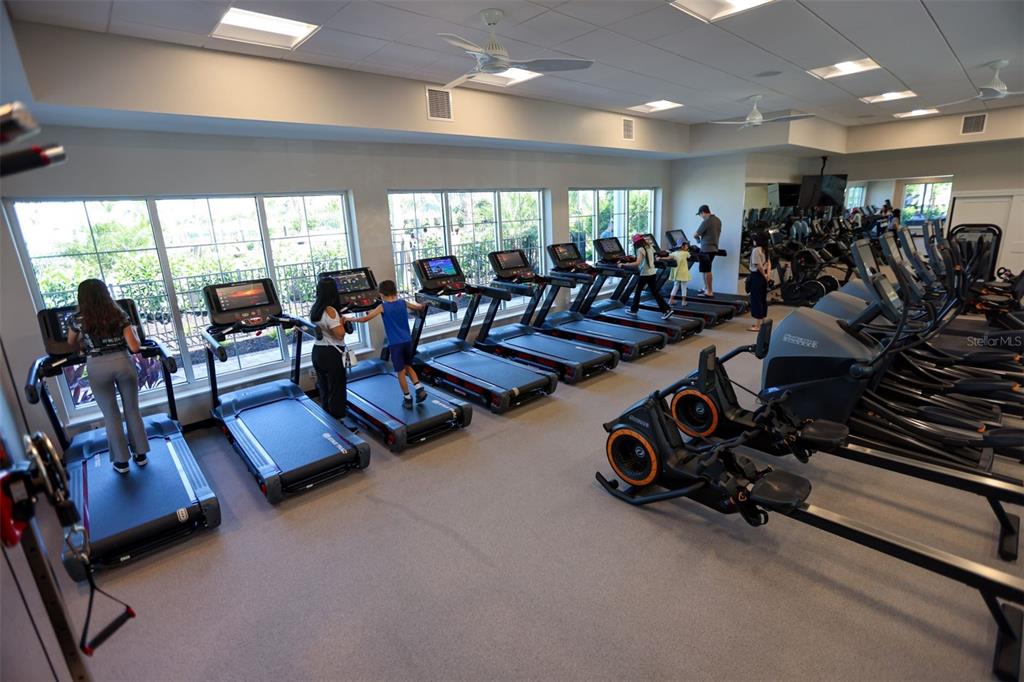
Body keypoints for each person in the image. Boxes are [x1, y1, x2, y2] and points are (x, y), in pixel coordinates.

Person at [66, 279, 148, 474]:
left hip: (97, 365)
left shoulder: (77, 319)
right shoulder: (119, 314)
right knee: (132, 410)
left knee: (111, 415)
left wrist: (82, 346)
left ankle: (121, 462)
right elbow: (134, 347)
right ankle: (141, 455)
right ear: (106, 294)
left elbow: (70, 342)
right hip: (123, 362)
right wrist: (135, 333)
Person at [345, 280, 427, 407]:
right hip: (407, 341)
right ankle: (419, 389)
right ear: (395, 291)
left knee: (400, 372)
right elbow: (419, 307)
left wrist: (350, 319)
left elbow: (365, 319)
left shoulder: (382, 307)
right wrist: (425, 304)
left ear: (381, 294)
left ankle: (407, 398)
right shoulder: (403, 303)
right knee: (408, 366)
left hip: (396, 344)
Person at [309, 277, 349, 420]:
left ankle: (328, 417)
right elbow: (340, 334)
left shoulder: (315, 308)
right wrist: (342, 322)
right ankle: (339, 420)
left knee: (324, 386)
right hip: (332, 354)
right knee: (337, 389)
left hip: (318, 352)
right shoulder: (330, 310)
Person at [623, 233, 673, 319]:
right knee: (655, 292)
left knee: (638, 291)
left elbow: (637, 263)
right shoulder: (649, 247)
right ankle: (667, 310)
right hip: (652, 272)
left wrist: (624, 264)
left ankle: (634, 310)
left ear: (636, 243)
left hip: (645, 274)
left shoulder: (640, 249)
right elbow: (652, 255)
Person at [694, 204, 721, 297]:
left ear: (703, 212)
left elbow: (695, 234)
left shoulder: (706, 221)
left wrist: (698, 241)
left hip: (706, 249)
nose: (701, 217)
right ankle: (706, 288)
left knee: (707, 270)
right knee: (705, 270)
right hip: (714, 248)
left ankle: (709, 291)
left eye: (700, 215)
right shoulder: (718, 220)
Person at [747, 231, 771, 333]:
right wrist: (767, 275)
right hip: (763, 277)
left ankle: (757, 326)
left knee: (756, 299)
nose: (753, 241)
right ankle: (762, 322)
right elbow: (769, 263)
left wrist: (764, 276)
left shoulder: (756, 250)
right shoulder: (765, 249)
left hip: (757, 276)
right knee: (762, 299)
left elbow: (758, 265)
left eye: (755, 239)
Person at [667, 240, 691, 307]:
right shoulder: (686, 253)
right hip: (683, 273)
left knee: (675, 286)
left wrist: (660, 257)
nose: (687, 247)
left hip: (677, 273)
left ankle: (671, 300)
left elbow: (668, 257)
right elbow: (689, 256)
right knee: (684, 287)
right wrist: (687, 251)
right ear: (682, 246)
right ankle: (683, 301)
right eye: (686, 246)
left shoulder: (674, 253)